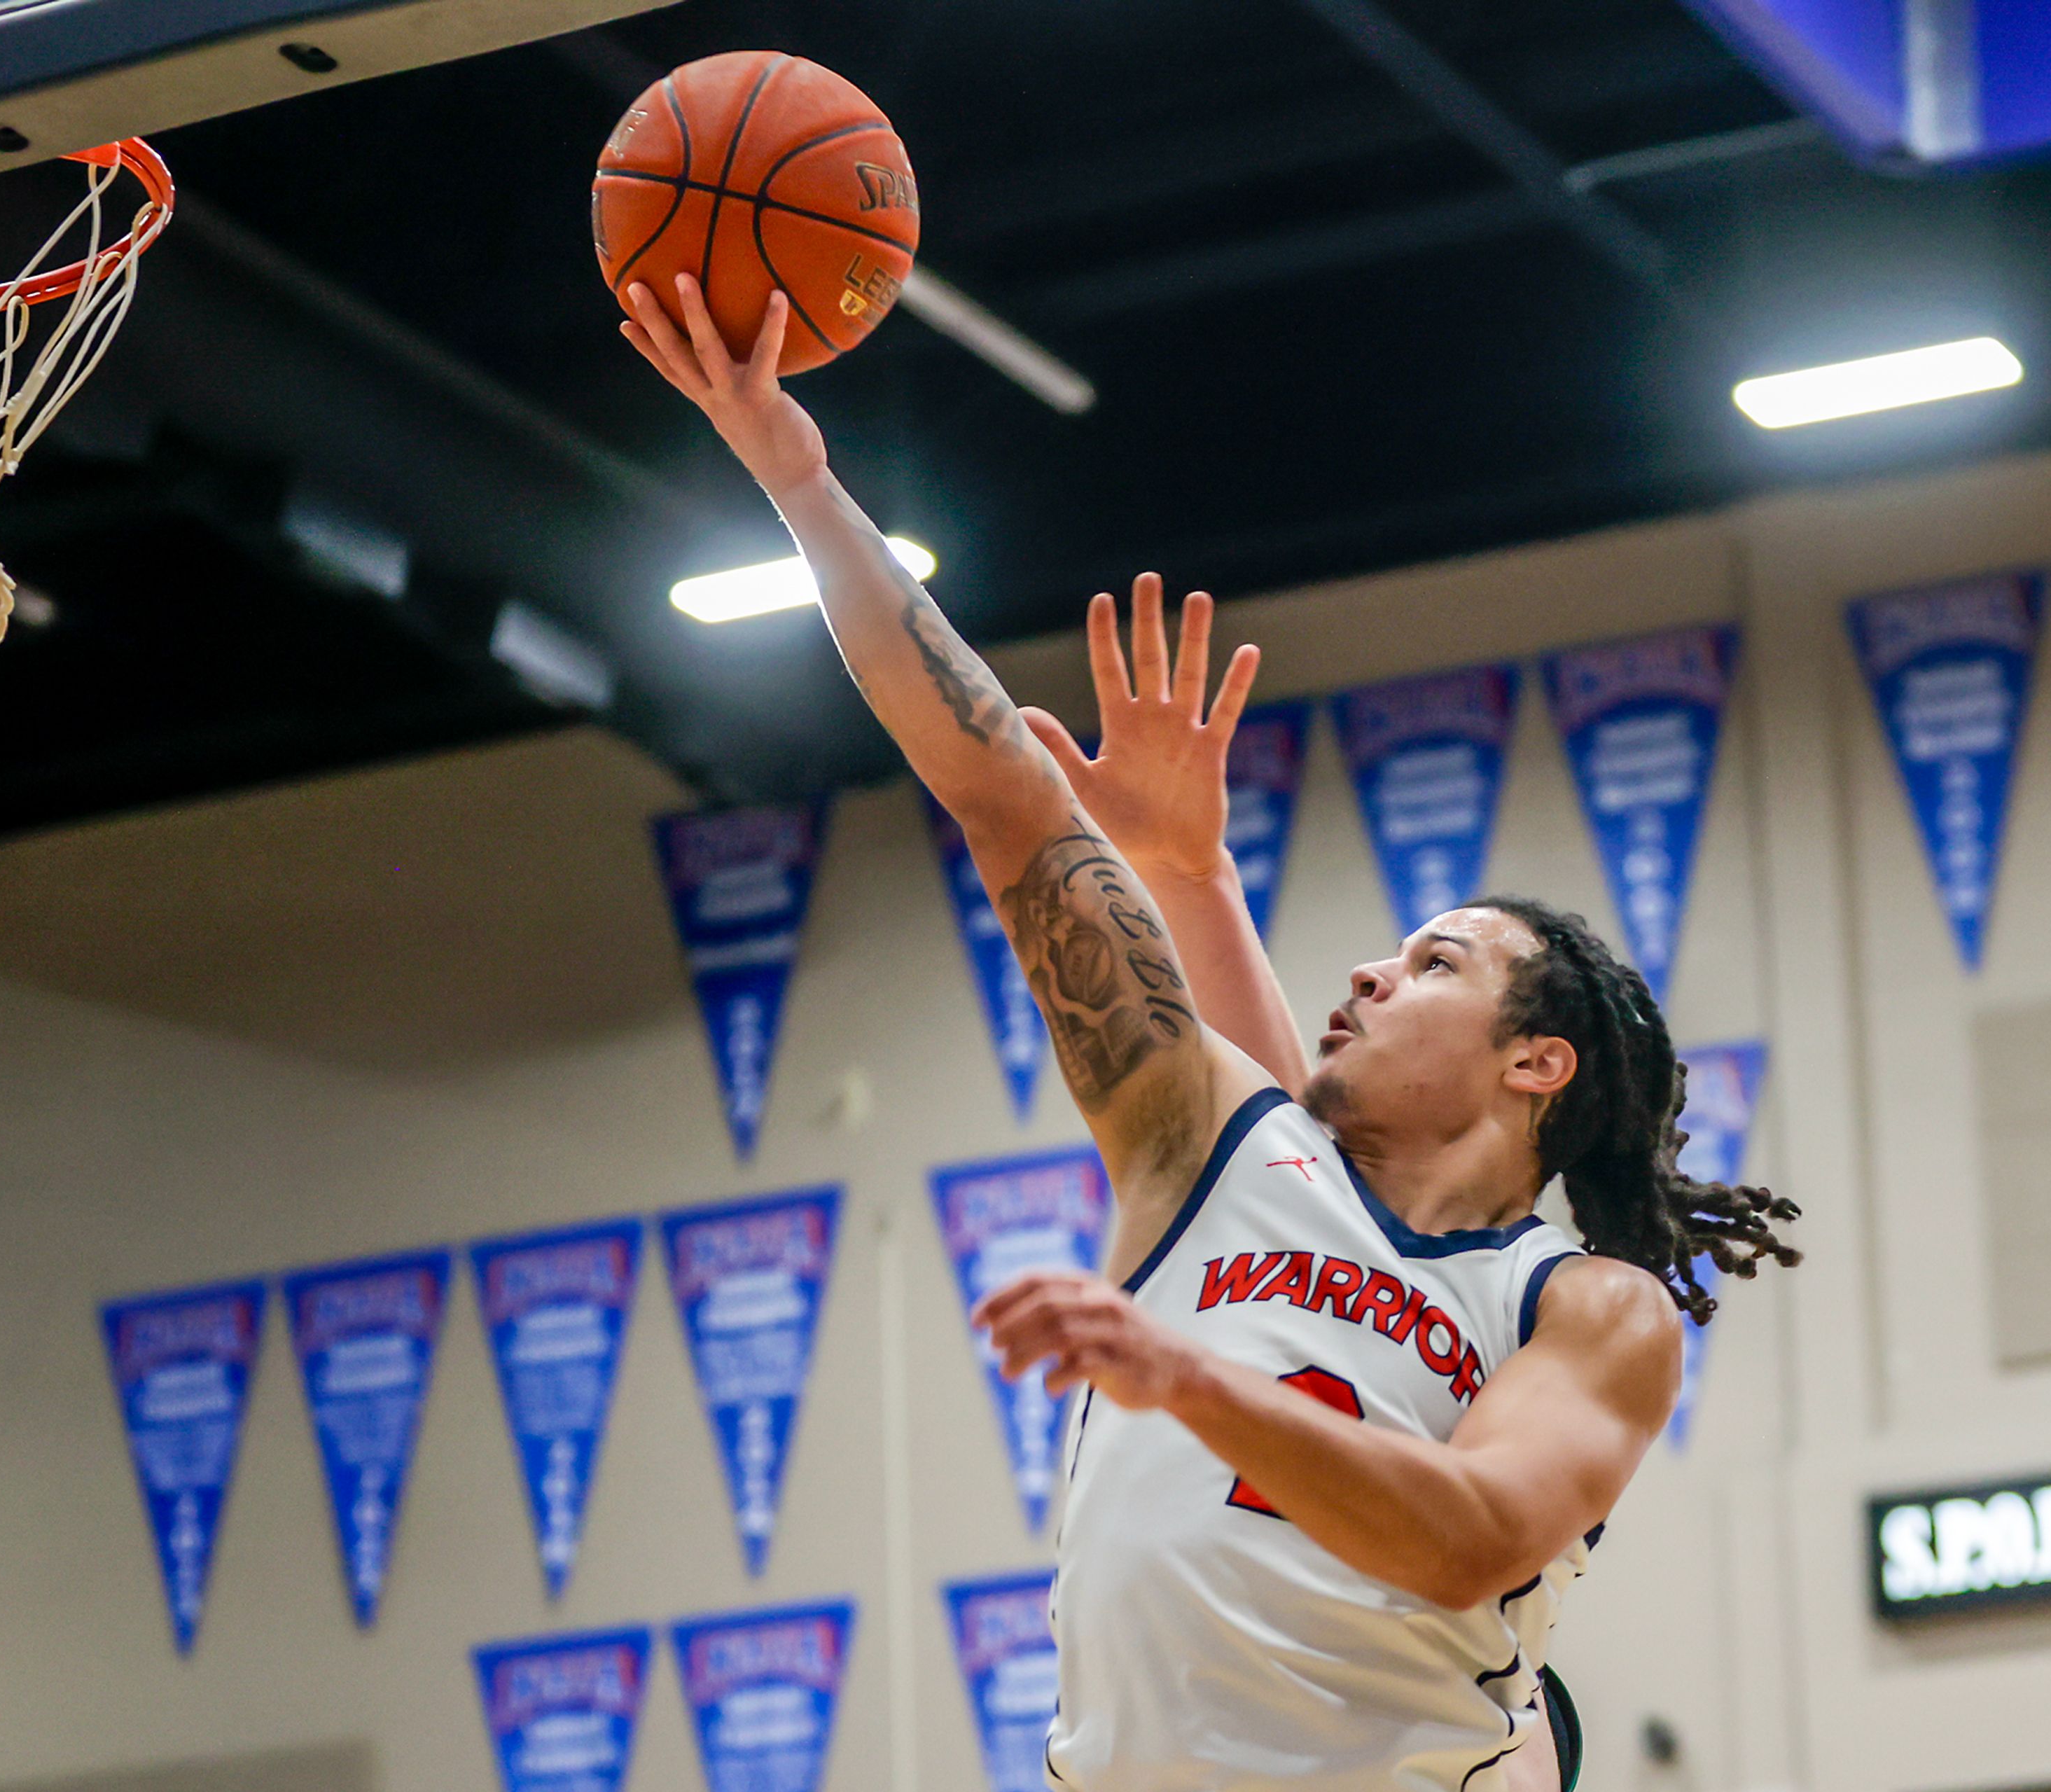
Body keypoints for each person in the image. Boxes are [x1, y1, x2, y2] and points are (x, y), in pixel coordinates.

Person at [618, 275, 1800, 1792]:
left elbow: (1466, 1537)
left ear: (1538, 1060)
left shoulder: (1581, 1308)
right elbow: (1003, 797)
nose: (1370, 974)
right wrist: (799, 478)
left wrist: (1180, 1373)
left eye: (1432, 961)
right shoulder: (1215, 1142)